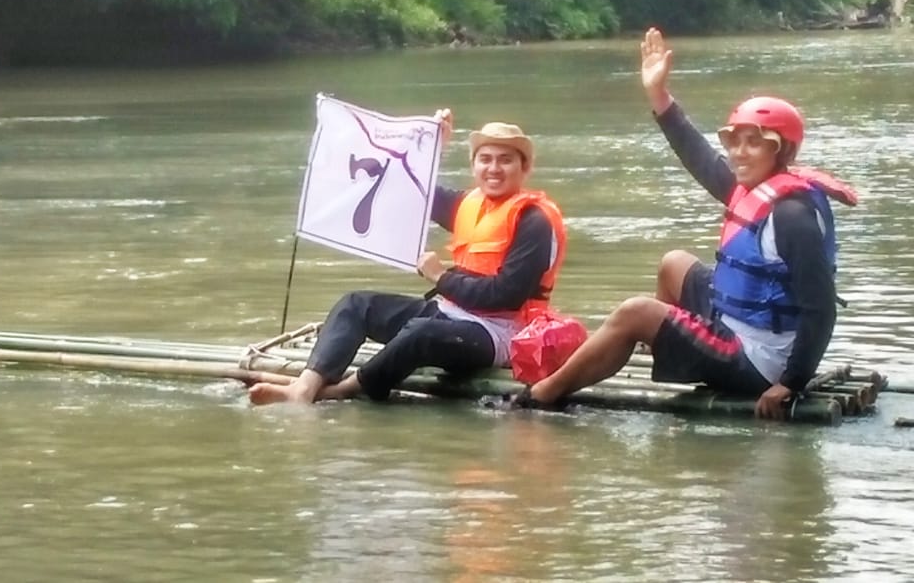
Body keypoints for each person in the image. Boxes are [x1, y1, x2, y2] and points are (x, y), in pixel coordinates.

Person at [524, 28, 856, 418]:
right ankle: (663, 342)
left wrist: (791, 382)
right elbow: (697, 155)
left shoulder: (792, 217)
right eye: (735, 141)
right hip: (736, 323)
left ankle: (541, 395)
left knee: (637, 312)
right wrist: (658, 95)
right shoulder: (753, 188)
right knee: (674, 264)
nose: (738, 152)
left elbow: (821, 309)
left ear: (780, 149)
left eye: (754, 142)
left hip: (762, 360)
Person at [249, 111, 567, 405]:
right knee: (356, 304)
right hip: (451, 312)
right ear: (474, 165)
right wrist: (432, 147)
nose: (493, 169)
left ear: (525, 168)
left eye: (505, 160)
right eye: (485, 159)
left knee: (421, 331)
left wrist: (440, 277)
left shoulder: (534, 221)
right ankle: (304, 387)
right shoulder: (468, 204)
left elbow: (507, 296)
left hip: (500, 334)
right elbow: (414, 188)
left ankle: (343, 390)